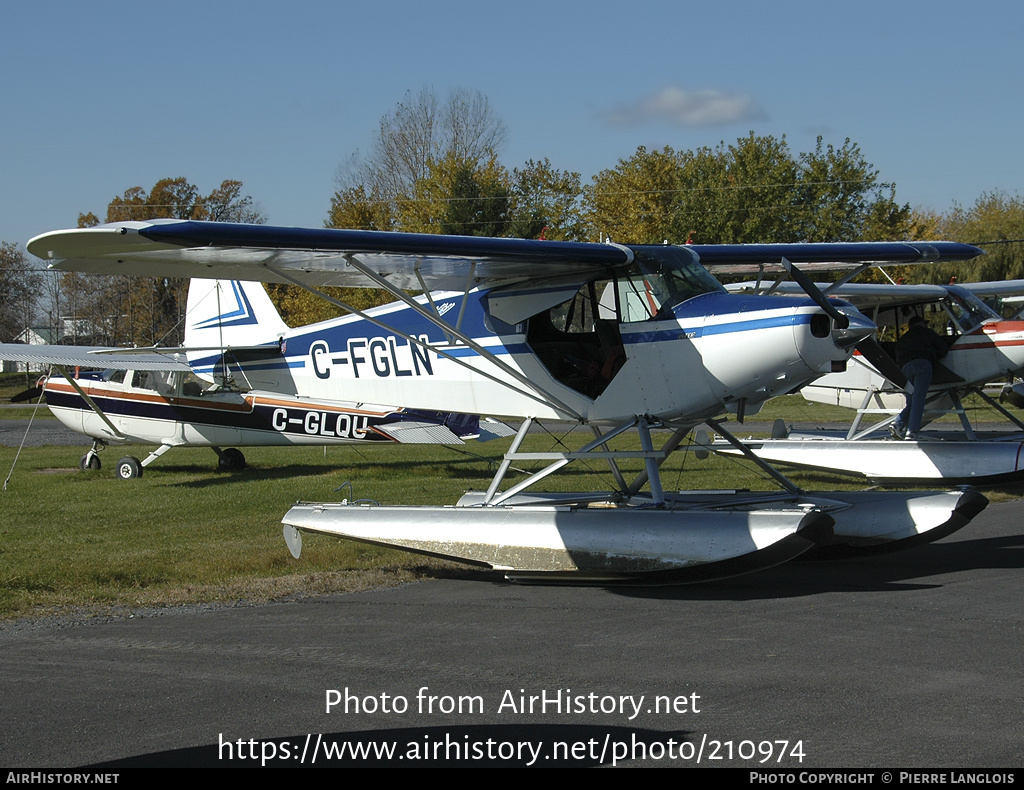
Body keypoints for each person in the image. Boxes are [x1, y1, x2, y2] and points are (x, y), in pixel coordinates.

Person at [890, 315, 949, 440]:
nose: (926, 325)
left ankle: (898, 423)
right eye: (924, 323)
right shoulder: (928, 333)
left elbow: (897, 357)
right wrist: (933, 357)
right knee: (919, 399)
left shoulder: (904, 338)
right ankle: (912, 431)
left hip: (906, 368)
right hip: (923, 365)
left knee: (911, 401)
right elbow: (943, 349)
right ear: (921, 324)